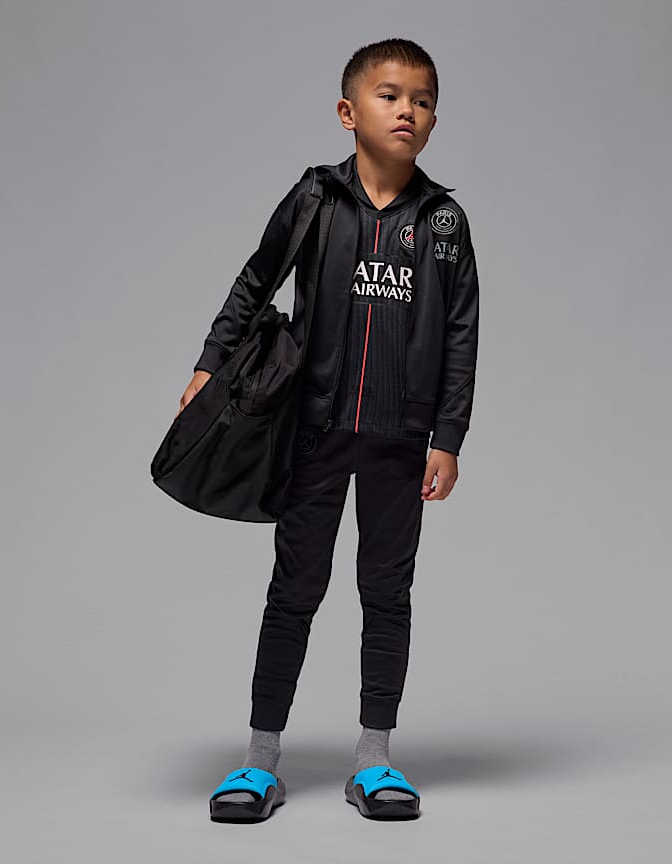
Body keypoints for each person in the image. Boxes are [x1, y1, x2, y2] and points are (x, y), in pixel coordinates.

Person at [177, 38, 479, 822]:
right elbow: (255, 281)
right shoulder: (316, 199)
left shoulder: (444, 222)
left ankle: (375, 760)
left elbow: (460, 334)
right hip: (313, 432)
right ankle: (259, 761)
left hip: (400, 440)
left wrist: (447, 437)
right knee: (294, 590)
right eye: (389, 95)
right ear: (349, 112)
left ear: (434, 121)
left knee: (387, 591)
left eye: (422, 100)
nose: (407, 110)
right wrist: (210, 364)